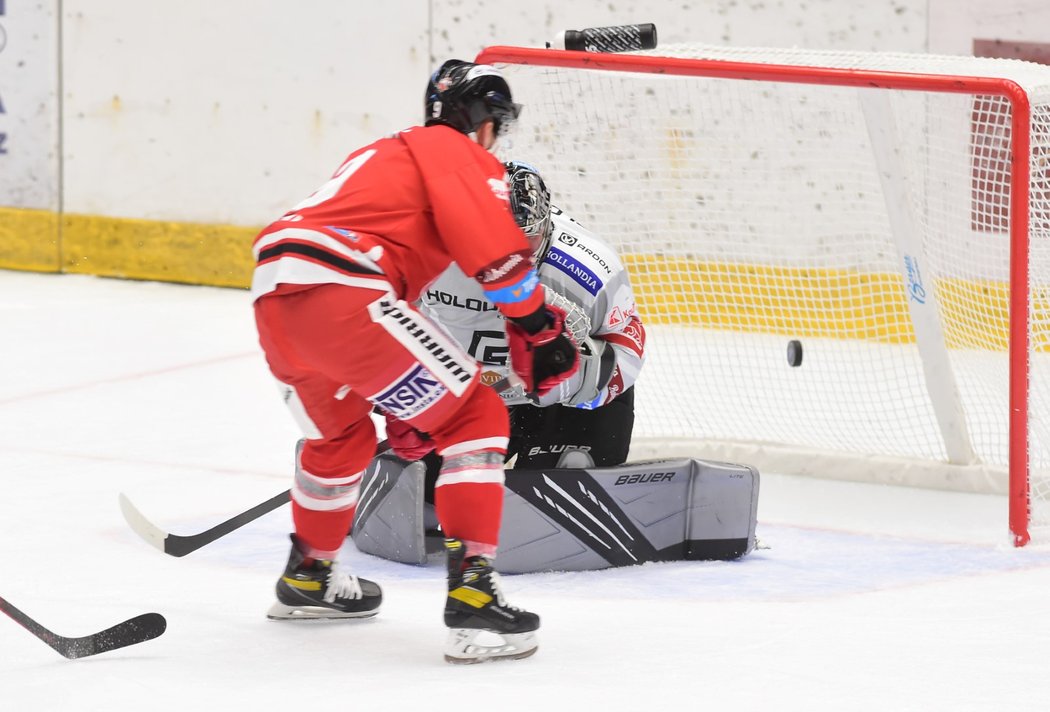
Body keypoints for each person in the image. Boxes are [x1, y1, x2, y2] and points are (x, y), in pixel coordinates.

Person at [250, 59, 580, 664]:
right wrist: (535, 323)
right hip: (344, 288)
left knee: (341, 440)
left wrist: (404, 404)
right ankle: (475, 600)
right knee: (476, 417)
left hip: (278, 295)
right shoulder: (451, 150)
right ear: (484, 121)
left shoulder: (382, 155)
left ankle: (308, 578)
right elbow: (490, 243)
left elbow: (377, 317)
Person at [415, 161, 645, 473]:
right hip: (459, 402)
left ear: (546, 227)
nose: (509, 258)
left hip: (562, 409)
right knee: (420, 491)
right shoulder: (424, 256)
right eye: (493, 243)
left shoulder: (589, 270)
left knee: (571, 488)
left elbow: (627, 350)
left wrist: (562, 378)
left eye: (524, 242)